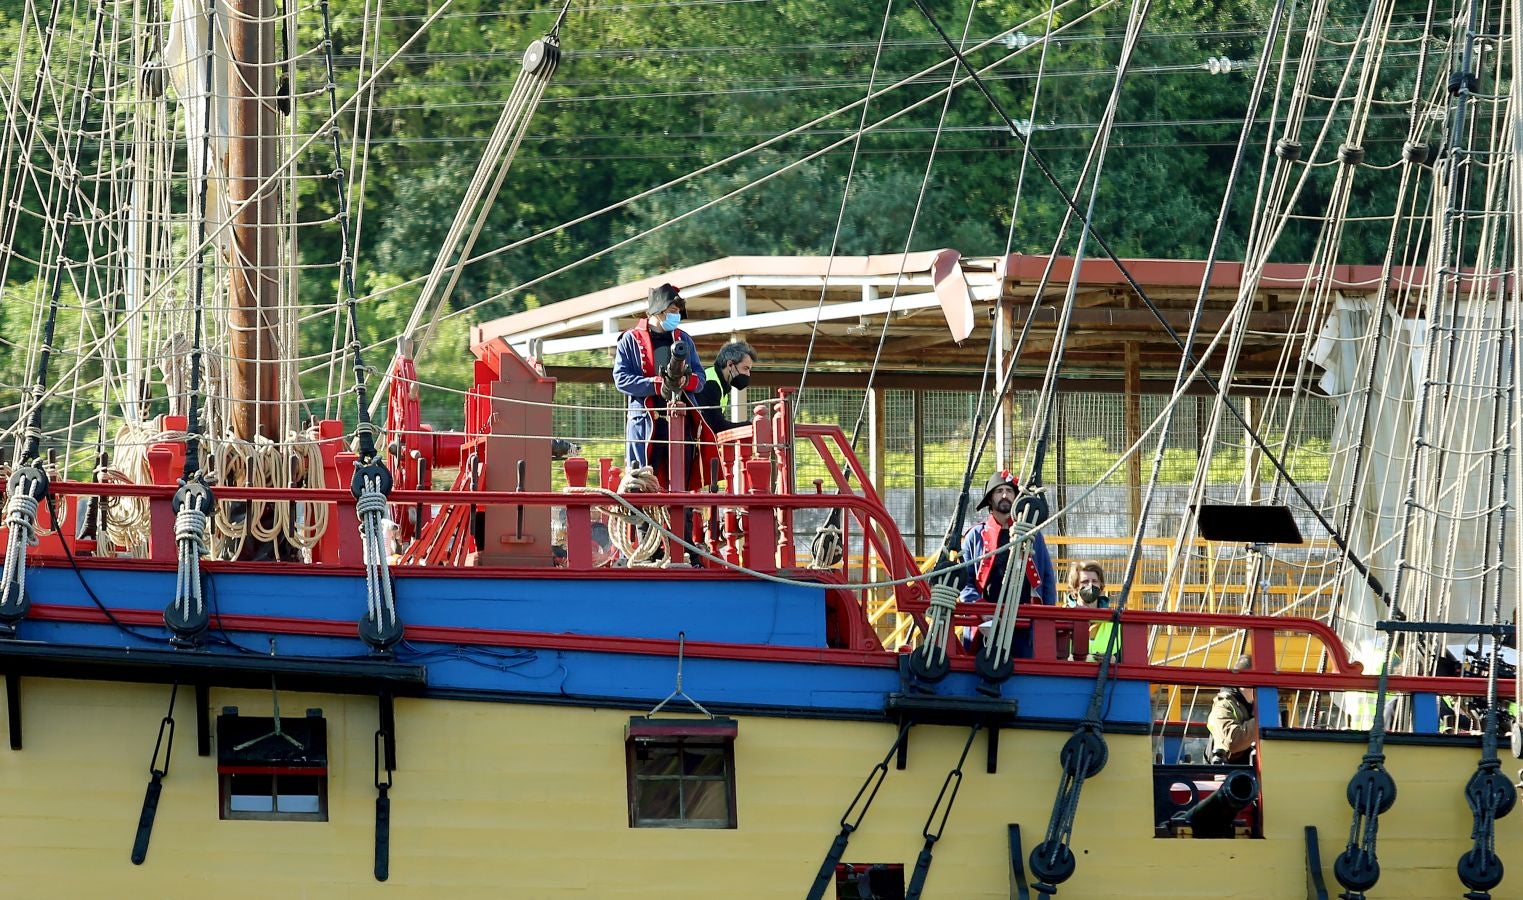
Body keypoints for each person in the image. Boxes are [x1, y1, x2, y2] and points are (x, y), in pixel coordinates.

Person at [611, 283, 709, 489]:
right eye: (673, 311)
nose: (677, 316)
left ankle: (684, 522)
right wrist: (657, 384)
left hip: (681, 424)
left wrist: (684, 381)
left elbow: (700, 377)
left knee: (682, 488)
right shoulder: (630, 340)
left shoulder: (684, 340)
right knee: (642, 485)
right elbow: (621, 379)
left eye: (678, 312)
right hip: (646, 424)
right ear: (659, 310)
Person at [959, 469, 1057, 607]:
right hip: (986, 619)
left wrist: (1047, 617)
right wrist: (979, 607)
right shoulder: (975, 536)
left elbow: (1047, 578)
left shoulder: (1032, 535)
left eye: (1009, 491)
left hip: (1027, 617)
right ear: (990, 498)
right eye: (999, 491)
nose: (1004, 495)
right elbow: (964, 582)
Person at [692, 341, 758, 436]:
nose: (748, 374)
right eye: (745, 368)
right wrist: (751, 425)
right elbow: (718, 426)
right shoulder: (711, 384)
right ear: (730, 365)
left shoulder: (721, 386)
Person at [1208, 654, 1259, 764]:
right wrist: (1262, 720)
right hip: (1229, 775)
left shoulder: (1255, 706)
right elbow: (1233, 741)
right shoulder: (1223, 705)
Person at [1065, 559, 1119, 661]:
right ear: (1076, 587)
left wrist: (1114, 660)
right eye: (1085, 582)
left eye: (1094, 581)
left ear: (1100, 585)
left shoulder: (1114, 620)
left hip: (1105, 675)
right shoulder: (1062, 617)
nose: (1090, 585)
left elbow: (1127, 657)